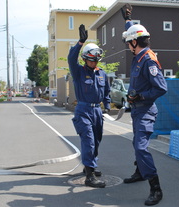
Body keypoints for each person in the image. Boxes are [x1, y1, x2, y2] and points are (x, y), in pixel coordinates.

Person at [121, 5, 168, 206]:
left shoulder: (148, 60)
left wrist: (139, 96)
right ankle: (140, 172)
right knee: (136, 144)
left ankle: (156, 188)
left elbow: (161, 88)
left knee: (140, 147)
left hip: (146, 111)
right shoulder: (138, 56)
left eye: (129, 43)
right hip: (137, 111)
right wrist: (128, 19)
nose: (127, 46)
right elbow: (134, 31)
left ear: (134, 42)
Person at [68, 24, 111, 188]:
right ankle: (90, 176)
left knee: (97, 140)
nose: (94, 63)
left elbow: (106, 91)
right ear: (85, 58)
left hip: (97, 111)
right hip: (83, 110)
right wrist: (80, 42)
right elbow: (71, 58)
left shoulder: (102, 74)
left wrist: (106, 105)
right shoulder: (78, 71)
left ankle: (90, 167)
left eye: (96, 60)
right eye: (91, 60)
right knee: (89, 140)